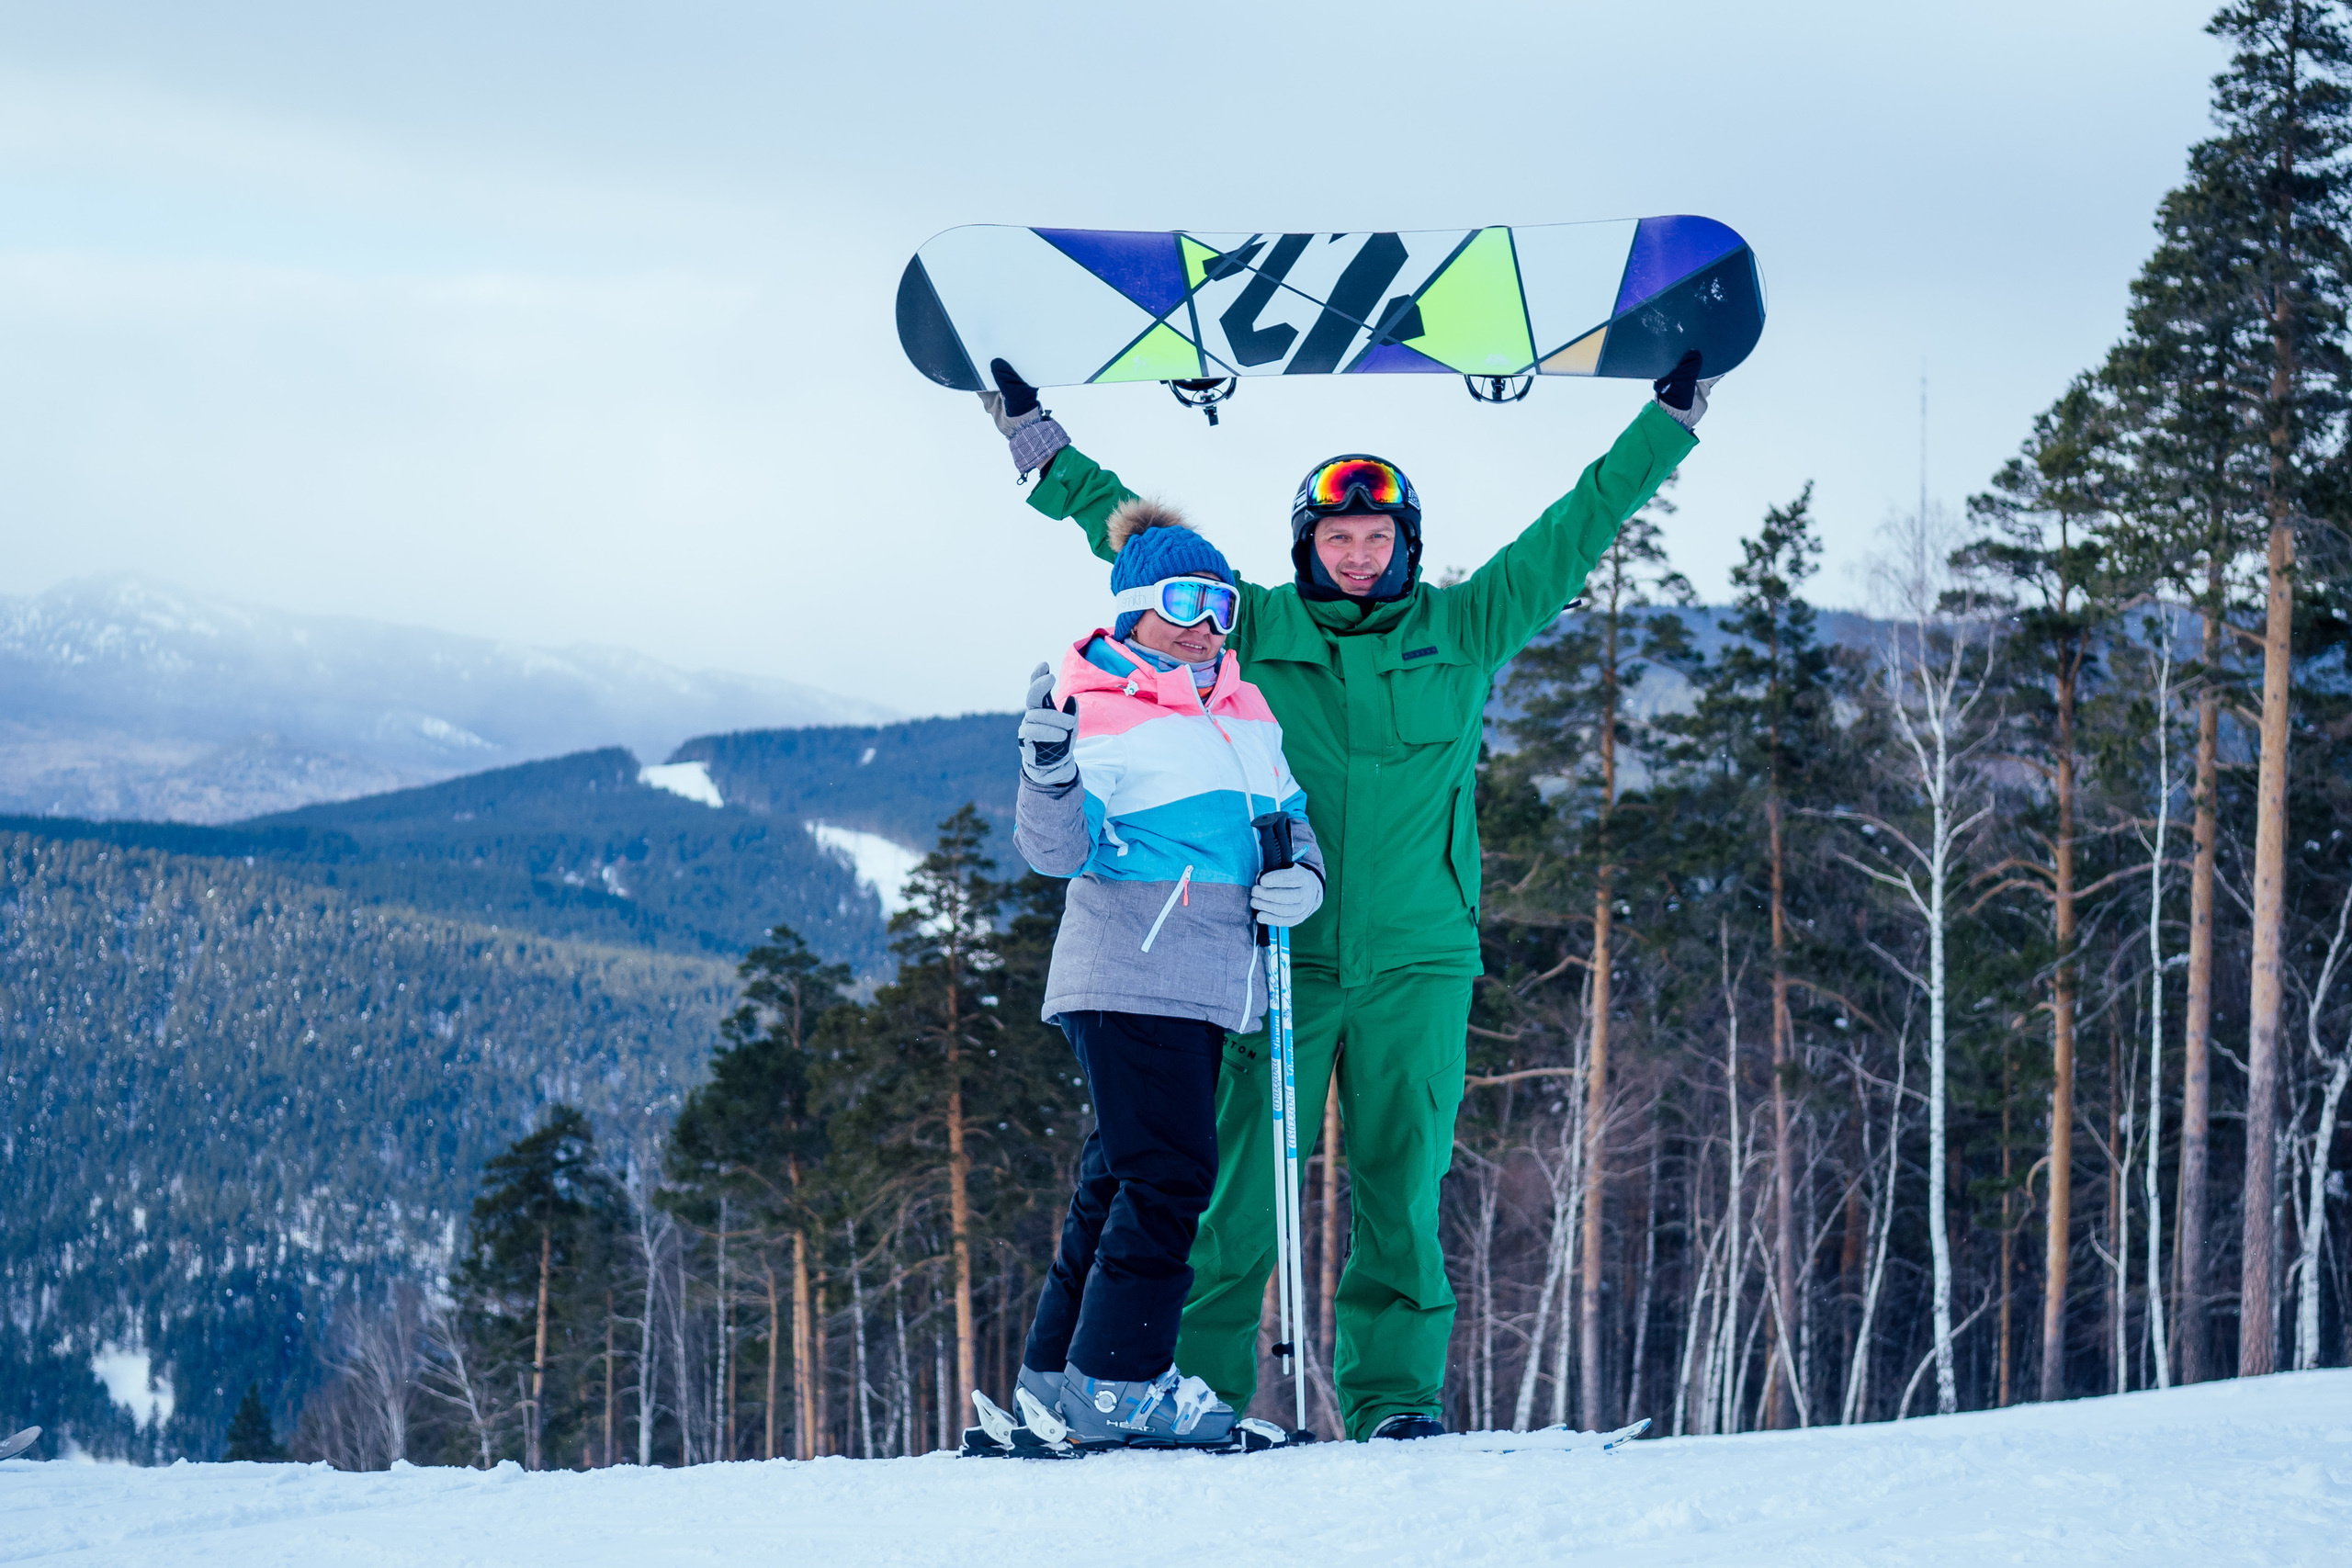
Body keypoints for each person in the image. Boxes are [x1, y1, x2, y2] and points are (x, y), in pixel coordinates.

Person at [980, 353, 1715, 1440]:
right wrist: (1040, 446)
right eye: (1338, 538)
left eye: (1377, 538)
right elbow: (1139, 553)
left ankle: (1396, 1400)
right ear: (1306, 547)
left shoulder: (1467, 628)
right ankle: (1195, 1394)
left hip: (1419, 960)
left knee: (1401, 1187)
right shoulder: (1256, 628)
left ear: (1405, 544)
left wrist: (1667, 424)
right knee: (1232, 1196)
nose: (1359, 556)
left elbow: (1577, 527)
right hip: (1272, 960)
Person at [1005, 499, 1326, 1450]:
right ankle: (1119, 1382)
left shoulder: (1243, 708)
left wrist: (1303, 876)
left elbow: (1289, 818)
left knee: (1120, 1174)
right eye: (1185, 601)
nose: (1205, 623)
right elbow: (1056, 852)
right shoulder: (1098, 705)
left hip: (1206, 982)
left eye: (1222, 606)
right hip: (1132, 972)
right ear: (1135, 606)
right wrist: (1049, 773)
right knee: (1170, 1176)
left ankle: (1057, 1379)